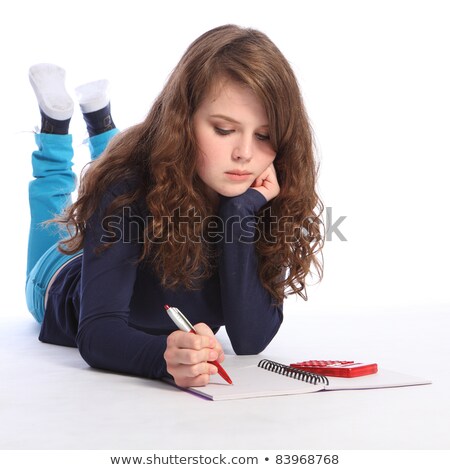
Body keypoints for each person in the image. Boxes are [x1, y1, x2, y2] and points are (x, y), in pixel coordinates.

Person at [25, 24, 324, 388]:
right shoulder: (126, 188)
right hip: (59, 277)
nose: (245, 154)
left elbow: (250, 341)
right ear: (183, 123)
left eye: (264, 136)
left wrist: (238, 216)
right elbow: (98, 333)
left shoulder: (256, 201)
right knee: (57, 209)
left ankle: (99, 119)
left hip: (122, 231)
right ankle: (56, 128)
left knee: (118, 173)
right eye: (224, 130)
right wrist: (162, 359)